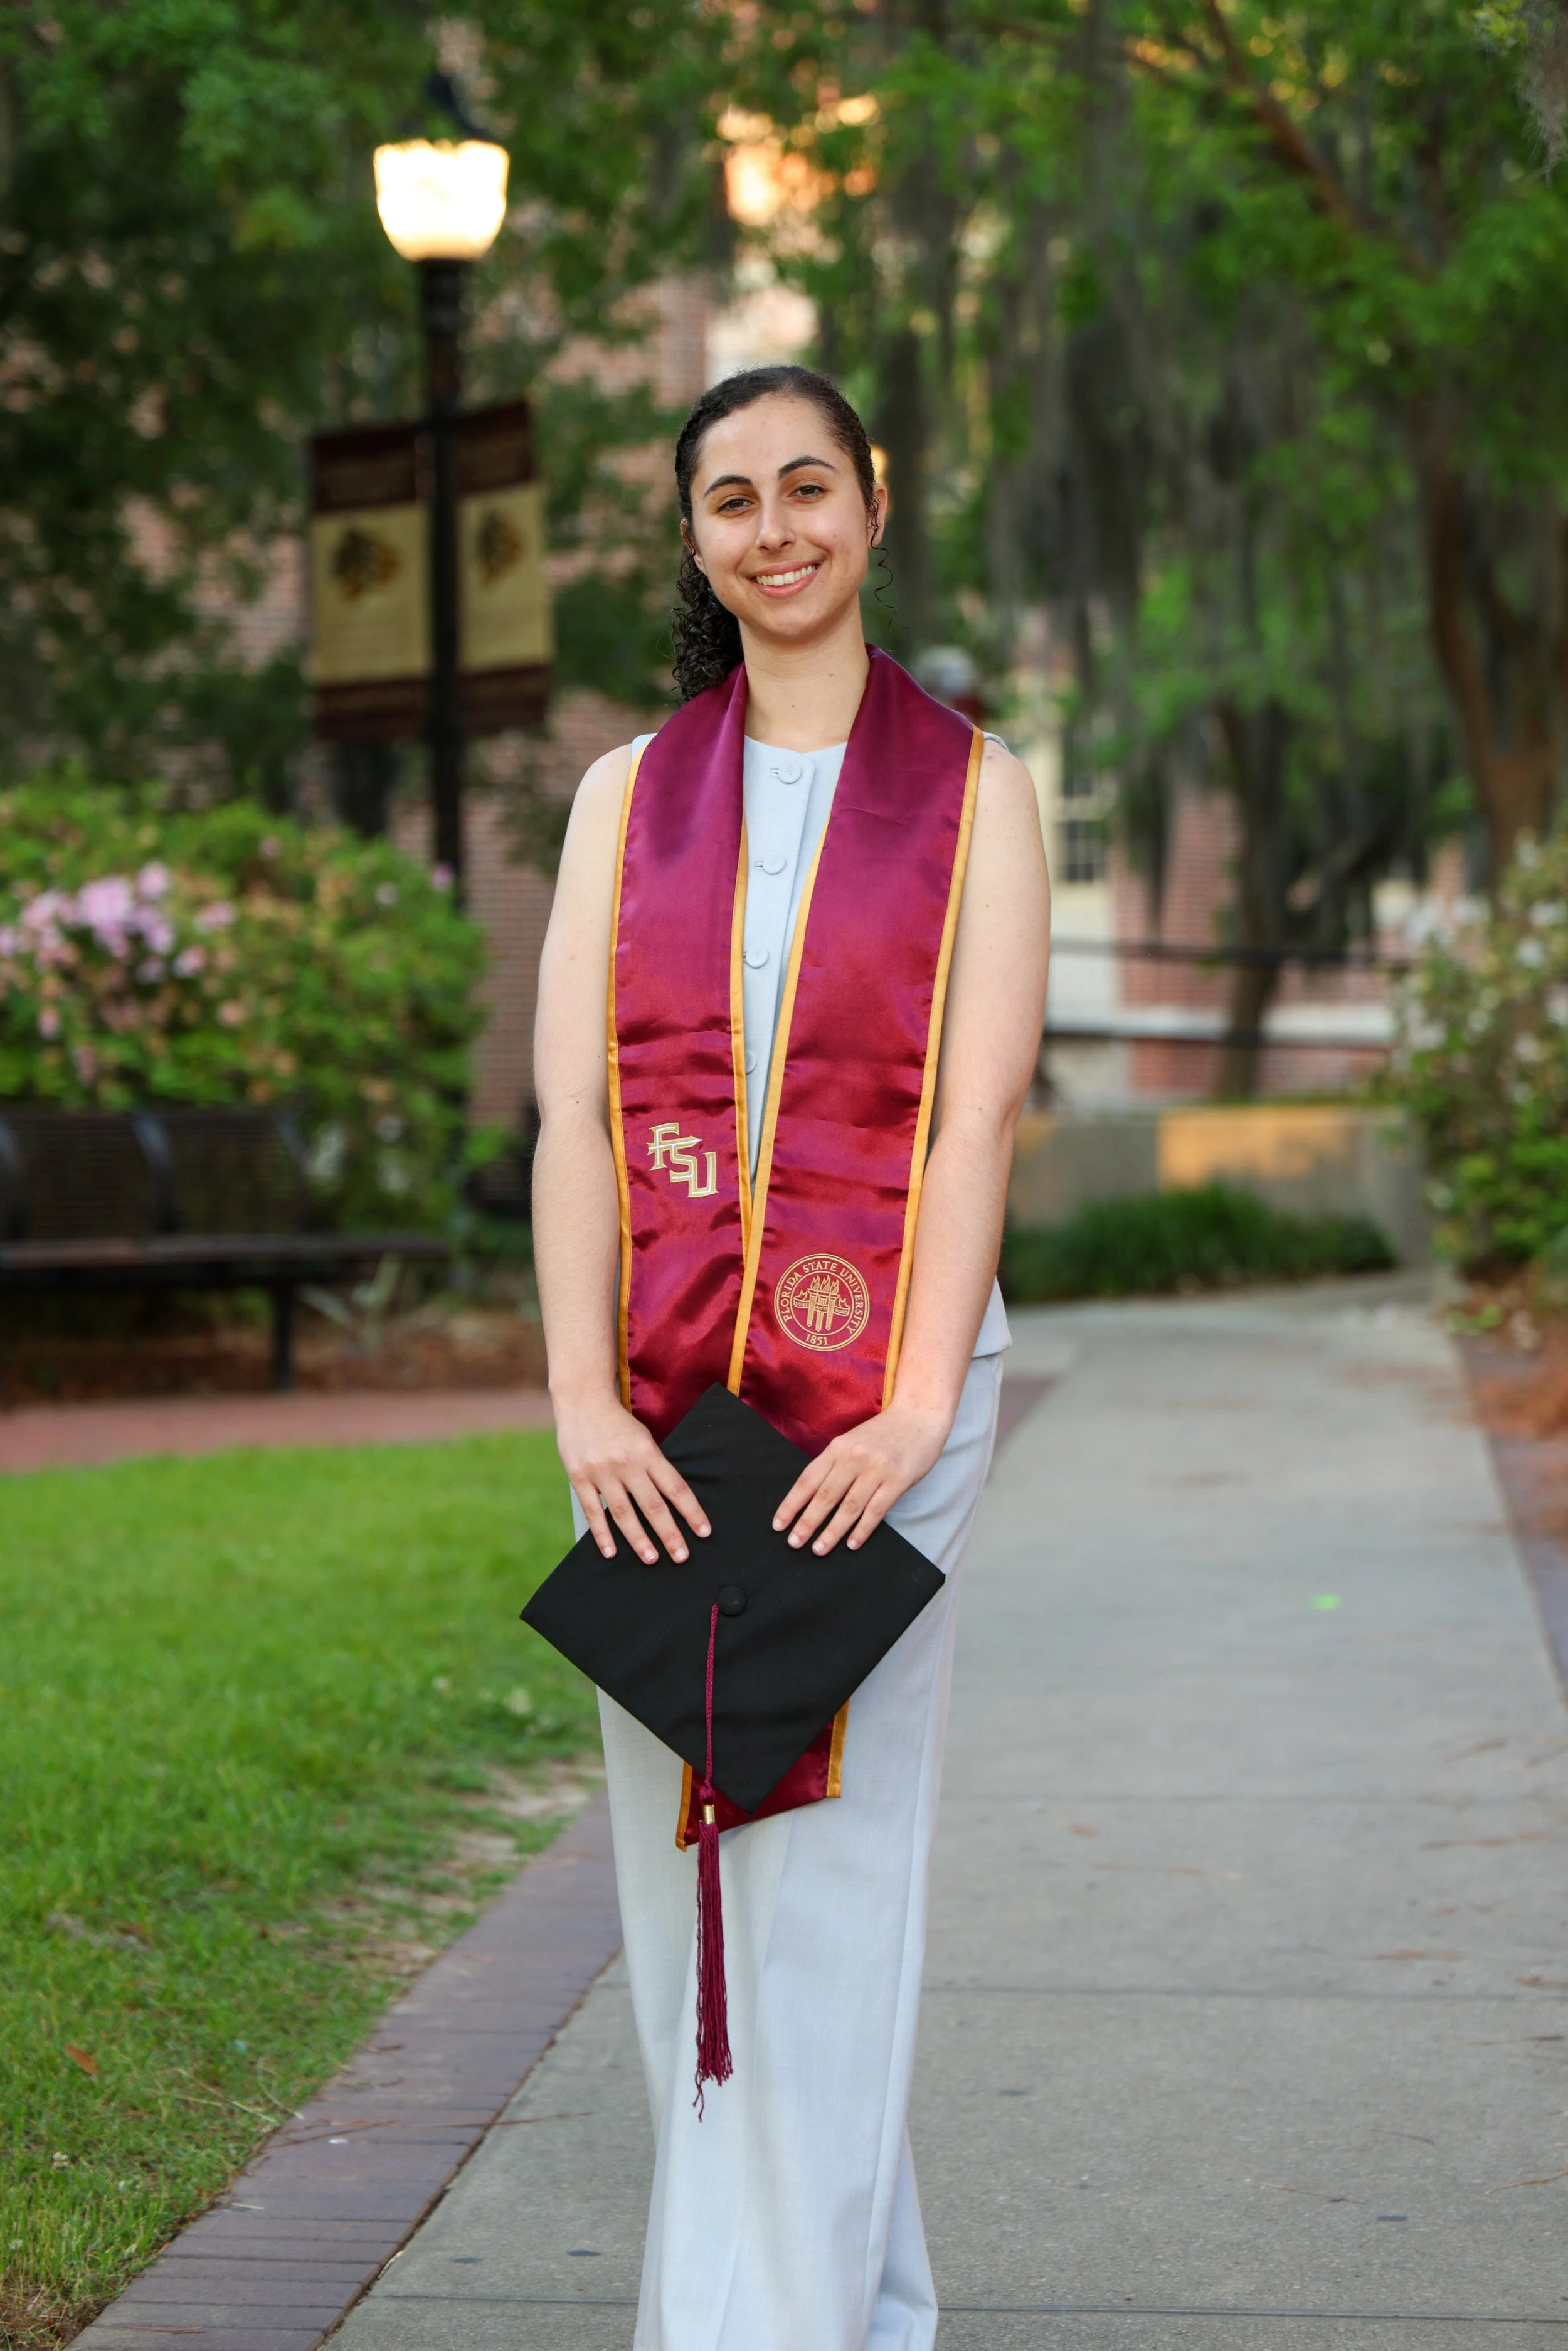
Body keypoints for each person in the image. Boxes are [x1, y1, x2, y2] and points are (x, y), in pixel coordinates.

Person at [532, 363, 1050, 2351]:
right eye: (732, 498)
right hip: (658, 1410)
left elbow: (969, 1125)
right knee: (693, 1894)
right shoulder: (624, 797)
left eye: (807, 486)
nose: (775, 527)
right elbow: (579, 1122)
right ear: (693, 539)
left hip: (882, 1398)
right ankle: (853, 2305)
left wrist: (916, 1408)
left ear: (873, 503)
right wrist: (582, 1401)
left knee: (823, 1867)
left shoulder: (975, 788)